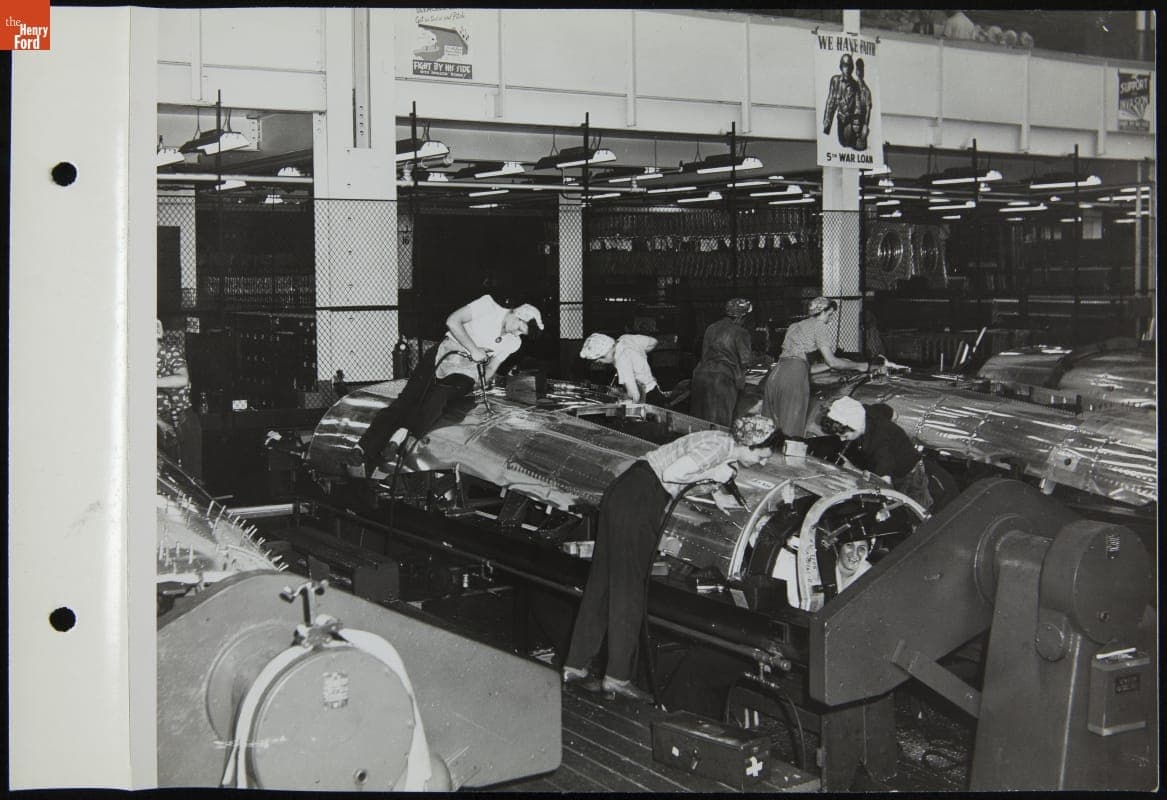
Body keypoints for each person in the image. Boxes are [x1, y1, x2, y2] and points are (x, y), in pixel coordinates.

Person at [561, 415, 781, 702]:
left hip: (624, 493)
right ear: (749, 444)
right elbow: (672, 473)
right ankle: (617, 678)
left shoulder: (719, 443)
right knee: (629, 589)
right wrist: (715, 475)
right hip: (642, 498)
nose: (762, 463)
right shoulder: (718, 449)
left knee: (602, 584)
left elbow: (706, 487)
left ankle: (575, 666)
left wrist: (732, 501)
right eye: (762, 457)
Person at [353, 295, 542, 477]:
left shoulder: (513, 342)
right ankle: (363, 448)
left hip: (466, 373)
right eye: (519, 327)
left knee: (438, 397)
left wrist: (478, 385)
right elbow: (452, 321)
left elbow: (493, 365)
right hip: (444, 354)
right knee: (408, 399)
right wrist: (473, 349)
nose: (517, 334)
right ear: (517, 313)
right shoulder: (487, 306)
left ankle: (402, 437)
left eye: (521, 334)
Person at [762, 297, 868, 445]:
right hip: (794, 380)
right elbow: (833, 361)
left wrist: (829, 366)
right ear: (823, 312)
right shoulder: (819, 326)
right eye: (829, 315)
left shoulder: (795, 326)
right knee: (791, 434)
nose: (830, 319)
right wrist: (859, 366)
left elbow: (804, 366)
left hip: (776, 375)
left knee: (769, 430)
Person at [820, 396, 933, 509]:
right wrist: (894, 435)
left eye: (845, 436)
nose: (842, 440)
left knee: (915, 505)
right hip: (895, 456)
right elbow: (892, 413)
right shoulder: (867, 411)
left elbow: (885, 487)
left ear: (855, 426)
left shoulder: (878, 443)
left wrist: (855, 471)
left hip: (909, 472)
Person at [689, 298, 756, 426]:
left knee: (700, 422)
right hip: (722, 380)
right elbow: (746, 360)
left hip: (700, 376)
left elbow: (705, 353)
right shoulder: (741, 332)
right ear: (741, 317)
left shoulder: (711, 328)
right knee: (720, 423)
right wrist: (760, 359)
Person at [157, 318, 202, 479]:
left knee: (190, 477)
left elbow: (182, 379)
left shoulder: (170, 352)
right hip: (159, 422)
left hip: (182, 420)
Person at [579, 332, 666, 406]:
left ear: (606, 353)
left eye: (598, 360)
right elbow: (654, 342)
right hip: (655, 390)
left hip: (649, 399)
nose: (599, 362)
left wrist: (618, 404)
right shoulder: (625, 339)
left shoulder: (621, 360)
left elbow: (635, 396)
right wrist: (638, 357)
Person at [823, 53, 859, 149]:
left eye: (849, 66)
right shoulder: (835, 81)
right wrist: (827, 123)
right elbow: (831, 102)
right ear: (841, 67)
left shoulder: (855, 85)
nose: (847, 69)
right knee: (840, 144)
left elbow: (857, 108)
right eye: (845, 65)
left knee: (847, 145)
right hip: (840, 120)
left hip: (850, 124)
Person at [853, 58, 873, 151]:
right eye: (858, 69)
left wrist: (865, 126)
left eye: (861, 69)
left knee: (861, 151)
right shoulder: (852, 88)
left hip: (862, 126)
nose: (859, 72)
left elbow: (868, 110)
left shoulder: (867, 91)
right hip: (852, 124)